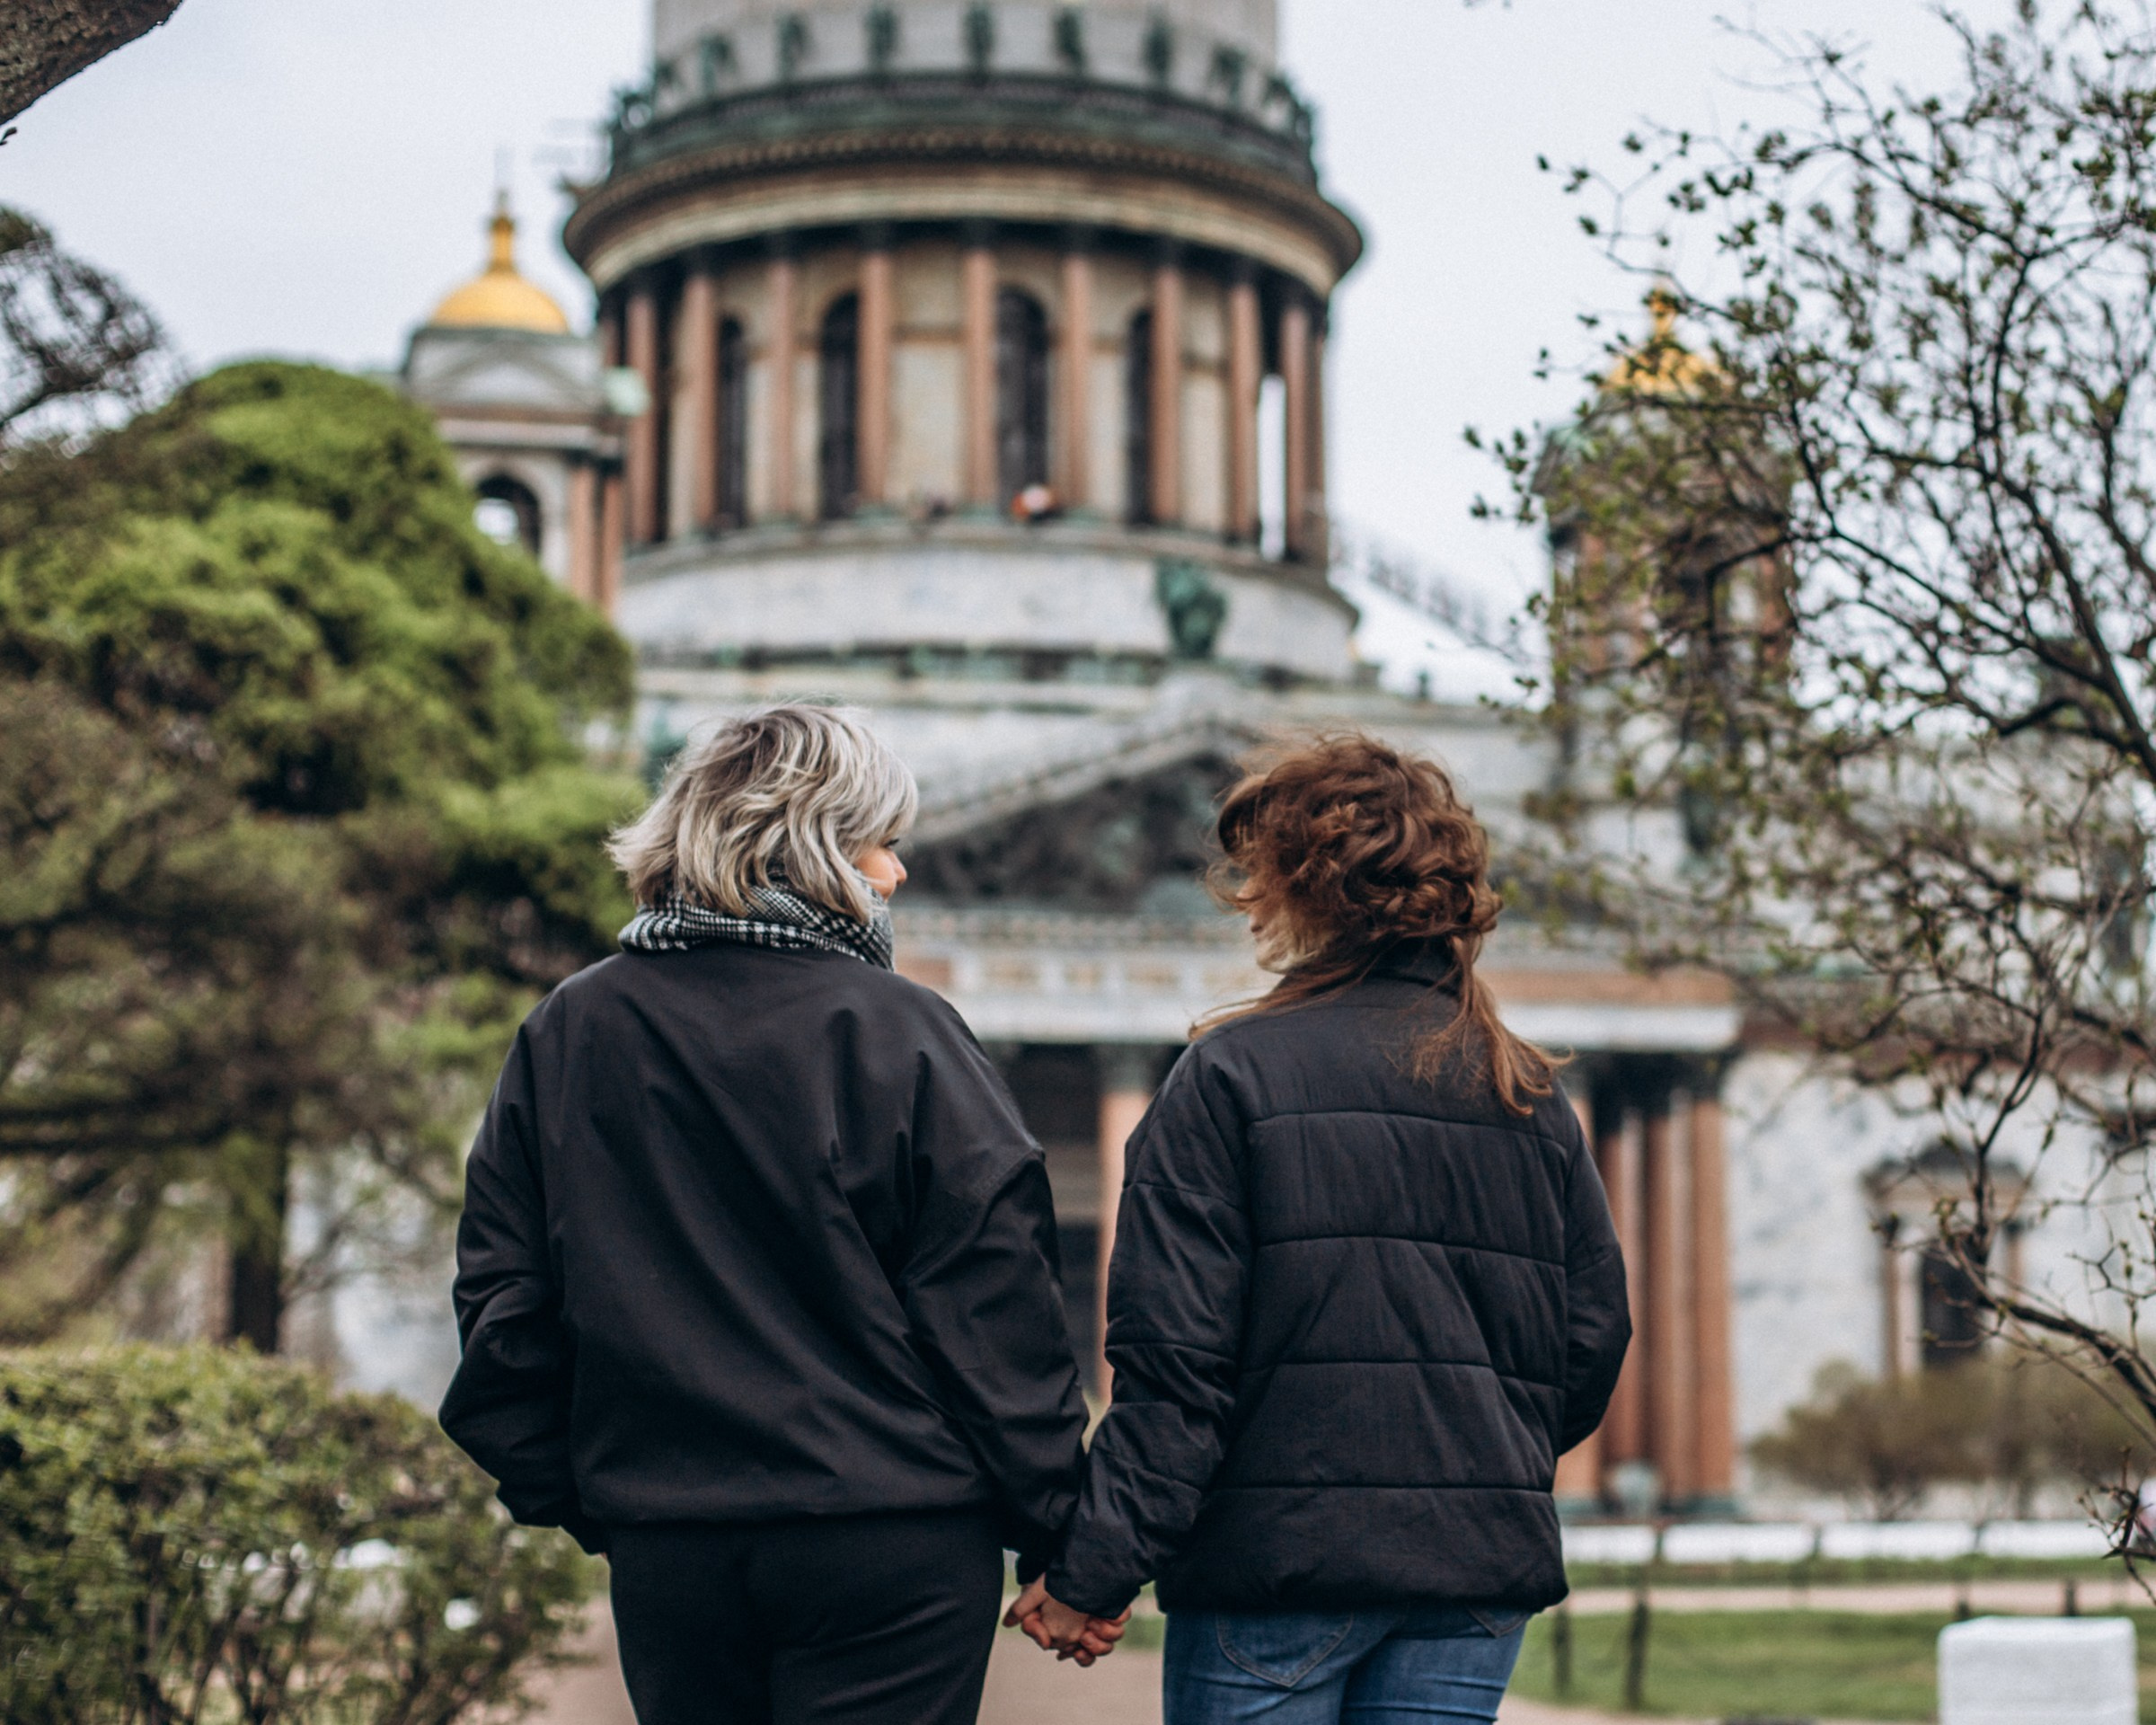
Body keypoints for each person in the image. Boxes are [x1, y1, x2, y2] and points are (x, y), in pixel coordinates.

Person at [439, 703, 1122, 1725]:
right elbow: (996, 1311)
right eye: (881, 844)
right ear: (813, 848)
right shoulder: (904, 1033)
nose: (895, 875)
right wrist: (1062, 1536)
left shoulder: (572, 1028)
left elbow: (503, 1294)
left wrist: (596, 1493)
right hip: (891, 1536)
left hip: (674, 1539)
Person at [1009, 732, 1632, 1722]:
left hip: (1281, 1566)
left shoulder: (1229, 1076)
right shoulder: (1527, 1091)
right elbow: (1593, 1338)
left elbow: (1176, 1369)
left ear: (1291, 887)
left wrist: (1094, 1569)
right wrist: (1472, 1453)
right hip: (1469, 1574)